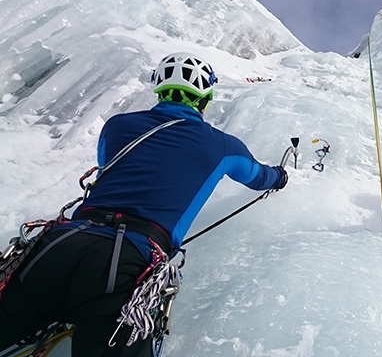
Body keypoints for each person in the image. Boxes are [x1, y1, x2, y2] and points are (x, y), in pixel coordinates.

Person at [0, 52, 288, 356]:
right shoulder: (223, 145)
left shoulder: (118, 126)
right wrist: (280, 177)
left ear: (159, 90)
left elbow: (107, 166)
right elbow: (258, 177)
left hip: (59, 245)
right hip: (128, 262)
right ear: (205, 99)